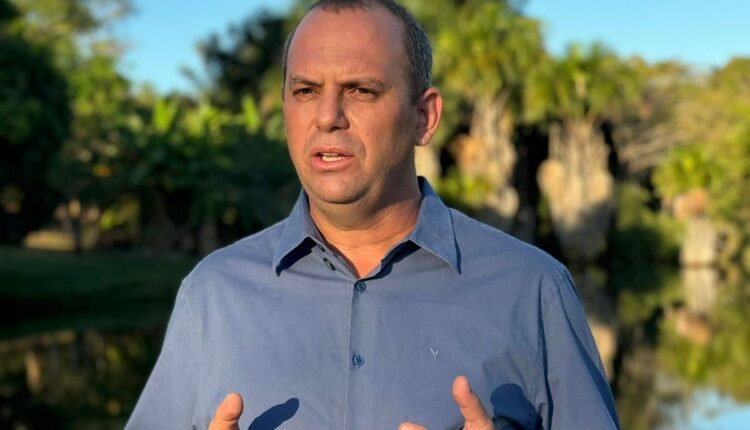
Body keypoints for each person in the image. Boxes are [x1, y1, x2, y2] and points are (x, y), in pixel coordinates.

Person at [126, 1, 620, 429]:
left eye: (361, 90)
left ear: (424, 117)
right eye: (305, 91)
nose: (327, 116)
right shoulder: (212, 293)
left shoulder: (533, 290)